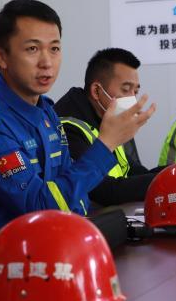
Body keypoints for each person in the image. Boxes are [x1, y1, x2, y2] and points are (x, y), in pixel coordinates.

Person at [0, 0, 155, 228]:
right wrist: (106, 144)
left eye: (54, 49)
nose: (47, 63)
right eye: (32, 49)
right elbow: (40, 208)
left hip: (47, 239)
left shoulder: (46, 113)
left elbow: (75, 197)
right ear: (1, 56)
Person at [54, 48, 160, 207]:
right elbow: (104, 191)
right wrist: (167, 181)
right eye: (126, 89)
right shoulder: (68, 127)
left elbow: (135, 172)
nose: (132, 99)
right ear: (97, 91)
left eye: (136, 91)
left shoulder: (107, 119)